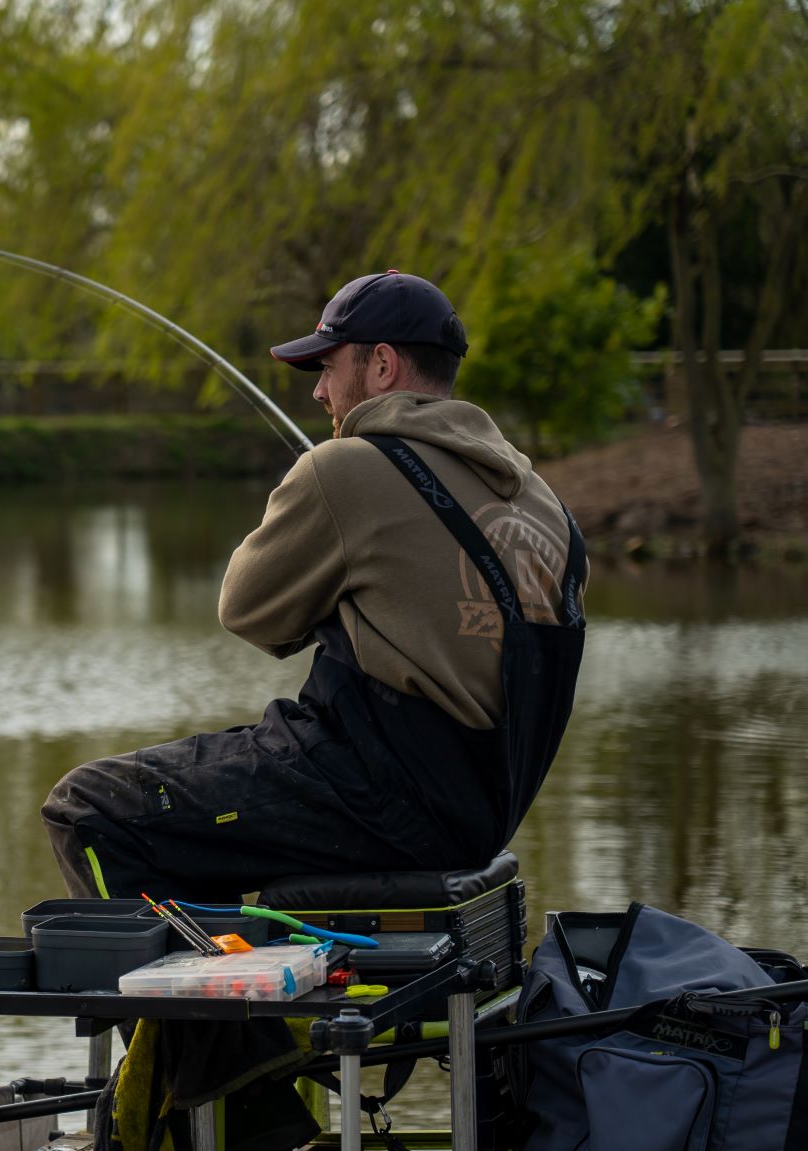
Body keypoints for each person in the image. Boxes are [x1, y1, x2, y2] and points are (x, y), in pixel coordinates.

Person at [41, 271, 588, 904]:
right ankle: (227, 975)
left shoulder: (345, 469)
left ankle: (177, 1001)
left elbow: (248, 611)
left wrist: (321, 488)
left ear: (381, 364)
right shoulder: (545, 505)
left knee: (90, 810)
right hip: (481, 817)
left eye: (326, 368)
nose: (320, 392)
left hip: (378, 797)